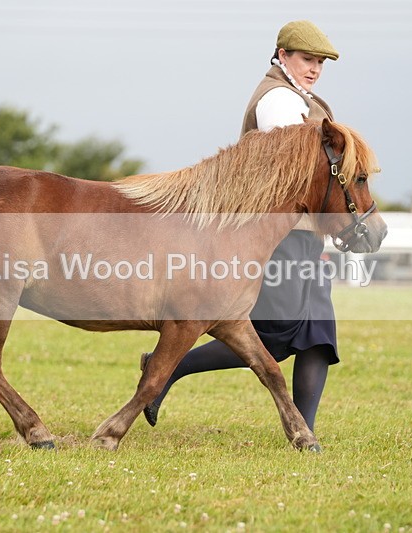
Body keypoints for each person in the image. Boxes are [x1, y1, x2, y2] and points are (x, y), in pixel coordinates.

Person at [140, 20, 341, 435]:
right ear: (282, 56)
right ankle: (165, 367)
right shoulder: (277, 102)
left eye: (320, 62)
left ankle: (306, 431)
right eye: (307, 59)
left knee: (319, 334)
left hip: (307, 235)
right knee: (276, 333)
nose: (315, 68)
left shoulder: (305, 98)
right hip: (278, 236)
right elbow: (292, 171)